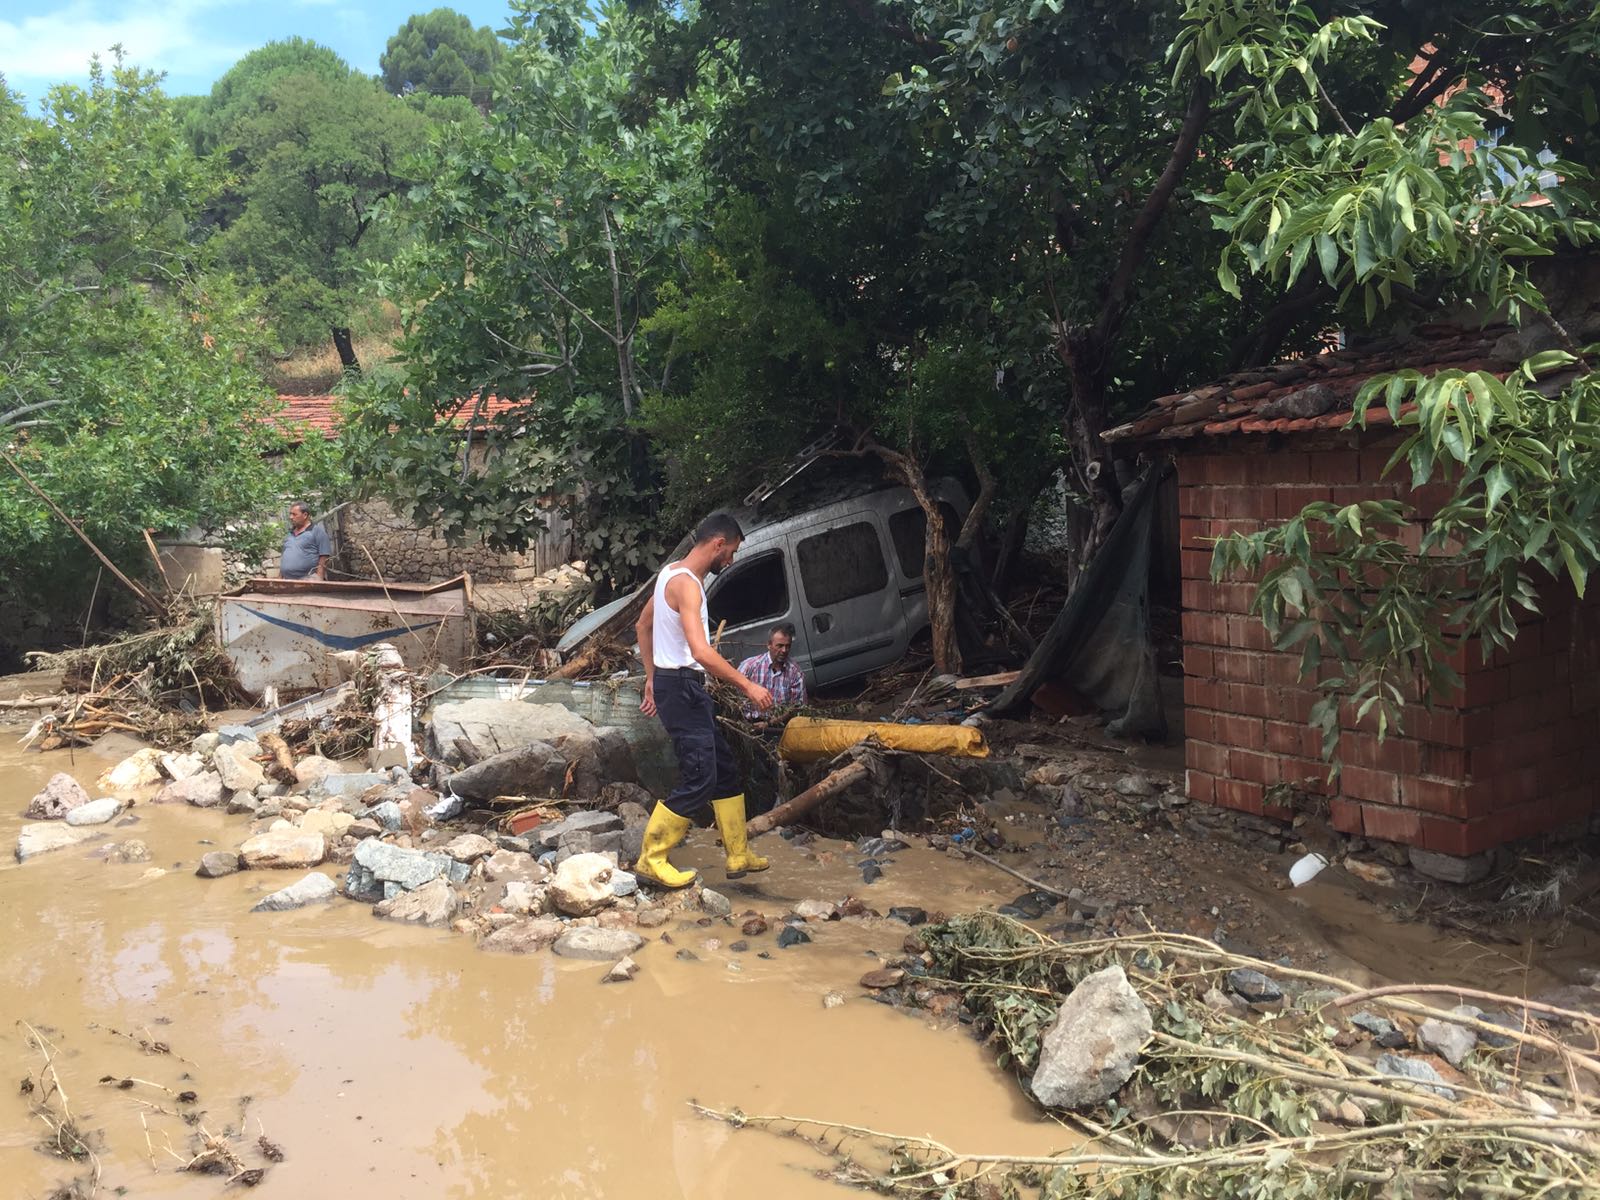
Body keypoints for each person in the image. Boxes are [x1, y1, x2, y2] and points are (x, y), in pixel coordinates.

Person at [634, 512, 774, 888]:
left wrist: (652, 677)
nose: (730, 560)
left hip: (678, 685)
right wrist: (748, 685)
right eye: (731, 552)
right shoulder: (688, 586)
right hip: (682, 688)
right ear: (717, 543)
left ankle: (738, 853)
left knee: (724, 770)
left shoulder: (669, 573)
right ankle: (651, 859)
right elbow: (700, 650)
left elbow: (642, 626)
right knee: (700, 776)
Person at [737, 624, 808, 721]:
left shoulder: (795, 673)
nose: (784, 650)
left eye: (787, 646)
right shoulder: (749, 667)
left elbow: (797, 707)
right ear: (769, 645)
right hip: (748, 723)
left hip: (780, 724)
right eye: (780, 646)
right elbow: (734, 697)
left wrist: (771, 723)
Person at [279, 502, 332, 580]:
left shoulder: (317, 532)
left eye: (294, 514)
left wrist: (319, 577)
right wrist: (280, 577)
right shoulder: (289, 534)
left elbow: (324, 556)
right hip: (287, 580)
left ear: (305, 515)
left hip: (308, 579)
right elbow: (284, 557)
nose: (291, 517)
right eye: (290, 514)